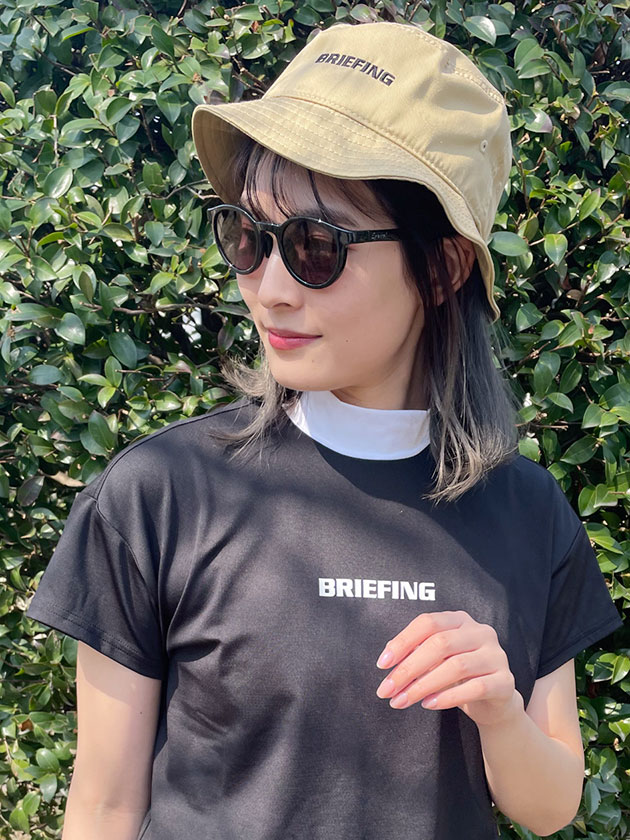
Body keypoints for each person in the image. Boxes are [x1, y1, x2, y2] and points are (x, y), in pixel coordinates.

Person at [25, 19, 622, 840]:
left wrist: (500, 710)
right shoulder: (160, 494)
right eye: (248, 237)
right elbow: (104, 806)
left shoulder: (527, 512)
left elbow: (550, 806)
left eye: (315, 247)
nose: (269, 288)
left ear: (442, 268)